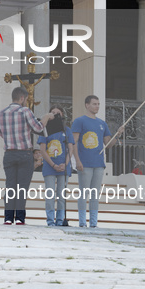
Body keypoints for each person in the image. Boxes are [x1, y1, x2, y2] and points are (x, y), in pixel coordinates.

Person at [0, 87, 54, 225]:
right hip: (24, 153)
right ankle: (20, 219)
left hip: (9, 153)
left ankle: (8, 218)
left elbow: (1, 133)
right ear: (22, 98)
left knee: (10, 186)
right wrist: (46, 117)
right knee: (22, 187)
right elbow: (38, 128)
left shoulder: (1, 113)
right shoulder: (25, 111)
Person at [72, 95, 123, 228]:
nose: (97, 106)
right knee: (84, 193)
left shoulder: (102, 123)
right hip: (85, 163)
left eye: (98, 104)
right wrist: (77, 160)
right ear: (87, 105)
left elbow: (108, 144)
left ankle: (93, 222)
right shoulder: (79, 121)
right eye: (94, 104)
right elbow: (74, 142)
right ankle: (82, 221)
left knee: (95, 194)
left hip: (99, 164)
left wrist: (118, 135)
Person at [37, 105, 74, 226]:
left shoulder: (66, 130)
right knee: (50, 195)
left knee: (61, 196)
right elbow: (42, 150)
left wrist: (66, 164)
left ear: (62, 116)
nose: (55, 115)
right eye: (52, 113)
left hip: (64, 168)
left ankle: (59, 220)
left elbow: (70, 149)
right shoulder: (45, 129)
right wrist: (53, 165)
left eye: (58, 113)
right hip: (49, 167)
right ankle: (50, 220)